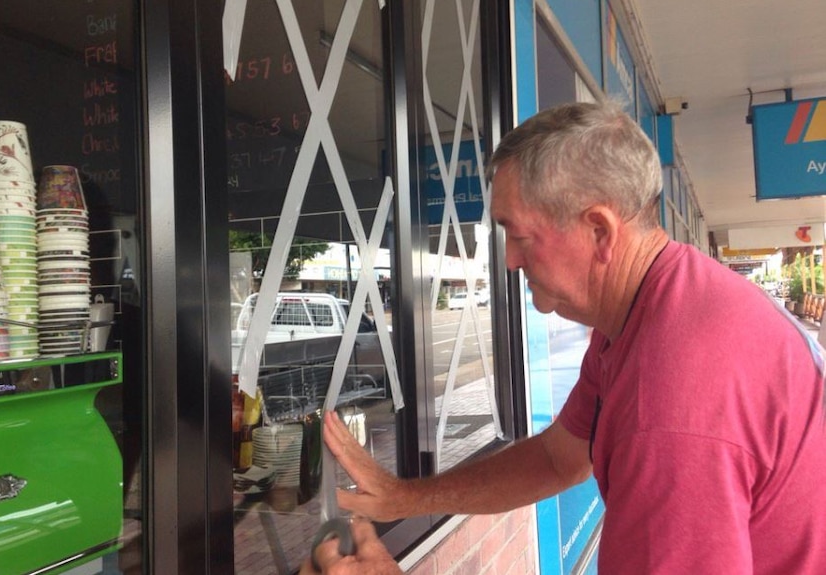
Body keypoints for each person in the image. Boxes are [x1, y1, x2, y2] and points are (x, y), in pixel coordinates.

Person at [303, 101, 826, 574]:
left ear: (599, 231)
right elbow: (560, 458)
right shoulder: (651, 305)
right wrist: (404, 498)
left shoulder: (671, 398)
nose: (508, 260)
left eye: (518, 234)